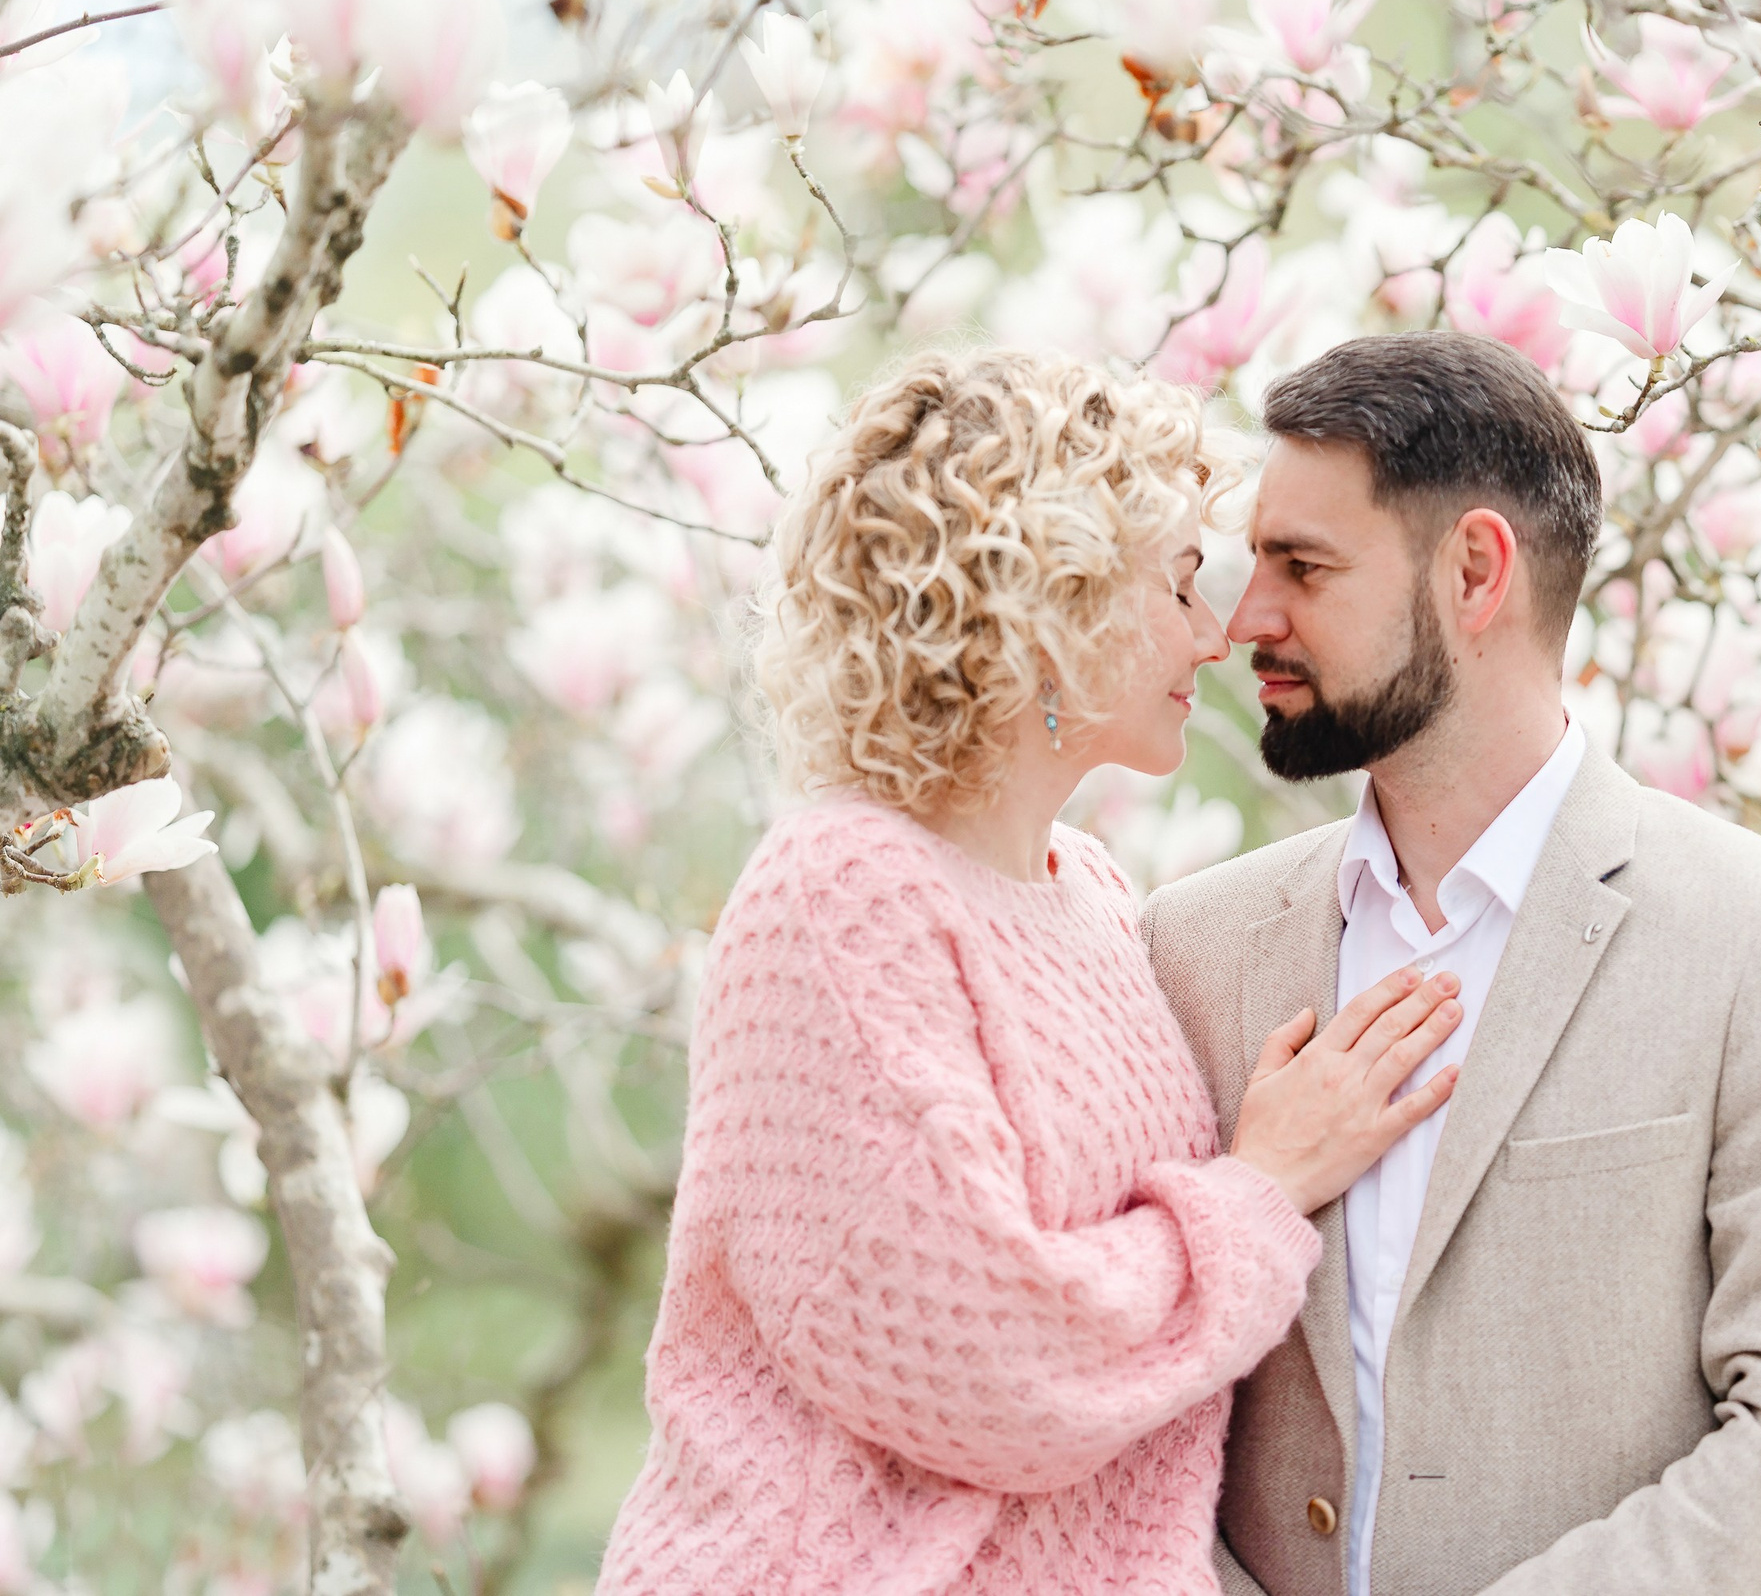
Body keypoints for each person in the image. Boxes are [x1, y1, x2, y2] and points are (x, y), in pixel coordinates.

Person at [594, 351, 1471, 1595]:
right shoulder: (840, 897)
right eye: (1177, 585)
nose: (1215, 633)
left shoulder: (1090, 892)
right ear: (1051, 609)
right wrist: (1263, 1185)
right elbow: (989, 1359)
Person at [1142, 331, 1761, 1596]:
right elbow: (1136, 1423)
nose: (1248, 619)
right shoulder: (1183, 947)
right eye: (1252, 564)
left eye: (1302, 565)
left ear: (1474, 570)